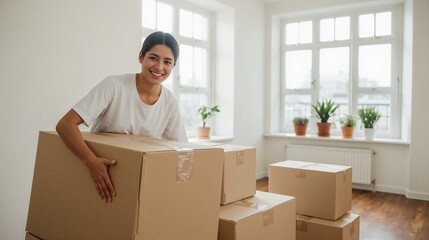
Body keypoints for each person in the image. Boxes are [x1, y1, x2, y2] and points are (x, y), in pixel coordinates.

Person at [56, 31, 187, 202]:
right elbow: (65, 125)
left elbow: (182, 151)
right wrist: (91, 161)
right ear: (141, 57)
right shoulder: (114, 86)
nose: (159, 67)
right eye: (153, 58)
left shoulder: (169, 101)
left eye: (167, 62)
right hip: (100, 177)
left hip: (139, 182)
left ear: (173, 66)